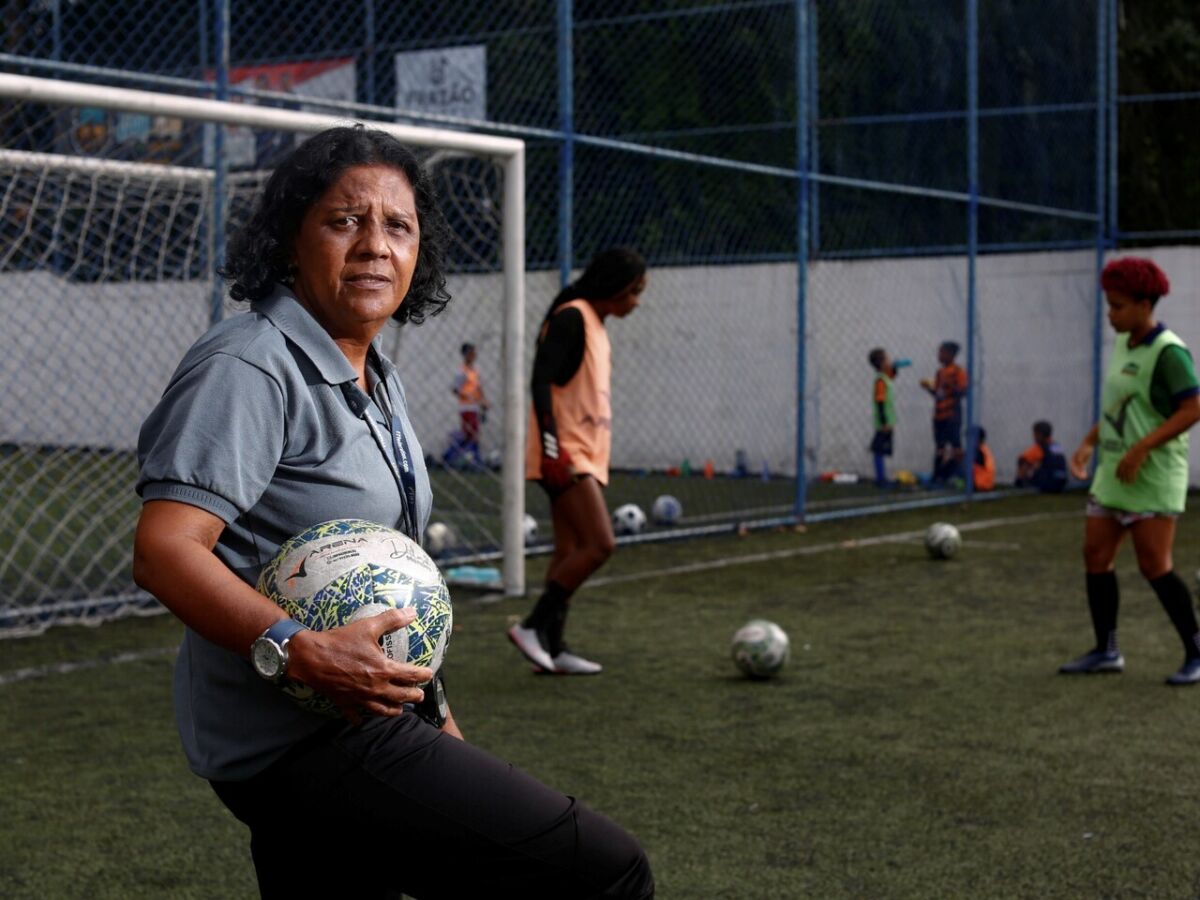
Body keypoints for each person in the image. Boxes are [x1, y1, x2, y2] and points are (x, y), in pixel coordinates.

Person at [132, 127, 654, 899]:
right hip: (301, 738)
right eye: (345, 221)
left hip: (363, 717)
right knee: (607, 874)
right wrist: (300, 650)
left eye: (397, 226)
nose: (375, 244)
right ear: (291, 238)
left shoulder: (377, 375)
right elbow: (165, 549)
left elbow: (390, 571)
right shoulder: (248, 365)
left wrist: (435, 720)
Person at [1060, 256, 1200, 686]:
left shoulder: (1169, 352)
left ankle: (1196, 651)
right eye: (1108, 304)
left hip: (1153, 476)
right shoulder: (1125, 343)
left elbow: (1193, 408)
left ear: (1145, 304)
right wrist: (1088, 442)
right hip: (1114, 474)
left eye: (1118, 305)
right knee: (1095, 557)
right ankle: (1107, 650)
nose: (1110, 314)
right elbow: (1121, 408)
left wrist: (1141, 448)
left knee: (1154, 565)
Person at [508, 247, 648, 676]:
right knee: (600, 544)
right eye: (635, 291)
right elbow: (540, 382)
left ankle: (554, 647)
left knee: (570, 548)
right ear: (616, 287)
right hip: (565, 454)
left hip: (586, 453)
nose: (637, 301)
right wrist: (553, 449)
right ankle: (532, 625)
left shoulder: (597, 325)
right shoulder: (572, 316)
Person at [919, 341, 968, 484]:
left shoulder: (958, 372)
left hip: (952, 414)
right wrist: (929, 388)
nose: (939, 355)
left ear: (951, 355)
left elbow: (962, 391)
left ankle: (963, 476)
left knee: (955, 446)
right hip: (939, 415)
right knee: (940, 446)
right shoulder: (939, 372)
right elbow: (939, 395)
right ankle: (938, 475)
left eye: (942, 352)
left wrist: (950, 385)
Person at [867, 347, 906, 487]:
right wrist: (884, 421)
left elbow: (892, 376)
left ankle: (882, 476)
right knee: (879, 449)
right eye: (887, 359)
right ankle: (880, 478)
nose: (890, 361)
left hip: (888, 421)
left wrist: (895, 368)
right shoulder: (880, 381)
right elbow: (880, 401)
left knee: (882, 450)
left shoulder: (885, 378)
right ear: (882, 363)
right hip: (883, 422)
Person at [451, 340, 489, 466]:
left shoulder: (474, 370)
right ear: (466, 354)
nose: (474, 355)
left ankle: (458, 457)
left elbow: (478, 387)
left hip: (474, 407)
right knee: (471, 435)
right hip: (466, 407)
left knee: (471, 435)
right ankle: (463, 458)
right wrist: (468, 396)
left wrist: (483, 400)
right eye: (471, 353)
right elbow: (455, 389)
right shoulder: (461, 371)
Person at [1015, 420, 1068, 493]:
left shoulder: (1039, 448)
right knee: (1042, 461)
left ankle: (1020, 482)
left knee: (1024, 460)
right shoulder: (1057, 446)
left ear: (1039, 435)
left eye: (1034, 434)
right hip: (1061, 483)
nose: (1033, 437)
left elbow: (1024, 461)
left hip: (1047, 484)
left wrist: (1019, 479)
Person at [972, 426, 995, 492]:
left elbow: (971, 465)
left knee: (961, 468)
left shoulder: (979, 451)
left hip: (981, 483)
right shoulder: (983, 449)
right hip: (986, 483)